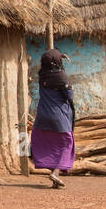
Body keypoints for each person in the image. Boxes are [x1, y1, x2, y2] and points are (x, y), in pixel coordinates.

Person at [31, 49, 75, 188]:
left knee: (49, 145)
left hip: (43, 118)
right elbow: (69, 96)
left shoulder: (42, 76)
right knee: (66, 145)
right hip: (59, 118)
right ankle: (55, 173)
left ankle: (54, 178)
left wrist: (57, 57)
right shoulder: (62, 78)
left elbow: (50, 63)